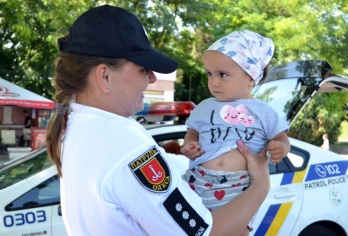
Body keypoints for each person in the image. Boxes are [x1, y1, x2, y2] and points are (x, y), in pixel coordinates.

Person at [45, 5, 270, 236]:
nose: (152, 78)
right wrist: (261, 183)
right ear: (105, 76)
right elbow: (205, 232)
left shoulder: (74, 122)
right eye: (143, 69)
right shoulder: (123, 142)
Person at [180, 30, 290, 234]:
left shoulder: (264, 112)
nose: (214, 82)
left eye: (223, 74)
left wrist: (279, 147)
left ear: (250, 77)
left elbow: (281, 137)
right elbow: (193, 132)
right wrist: (190, 146)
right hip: (198, 180)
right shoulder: (204, 106)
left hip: (239, 188)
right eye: (210, 74)